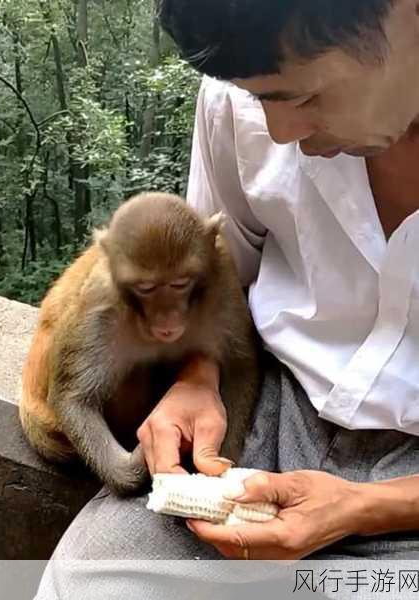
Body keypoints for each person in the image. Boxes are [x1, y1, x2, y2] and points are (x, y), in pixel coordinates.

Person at [36, 1, 419, 597]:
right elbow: (222, 281)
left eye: (302, 96)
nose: (278, 132)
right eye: (256, 96)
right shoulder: (237, 99)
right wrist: (198, 377)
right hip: (265, 409)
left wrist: (365, 506)